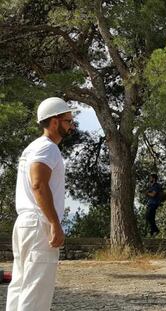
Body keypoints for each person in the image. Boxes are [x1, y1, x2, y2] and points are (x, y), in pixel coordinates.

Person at [6, 97, 76, 311]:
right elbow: (38, 184)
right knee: (36, 291)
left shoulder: (32, 147)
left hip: (25, 223)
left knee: (20, 285)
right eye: (68, 121)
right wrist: (54, 223)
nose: (71, 126)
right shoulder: (48, 148)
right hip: (39, 225)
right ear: (54, 122)